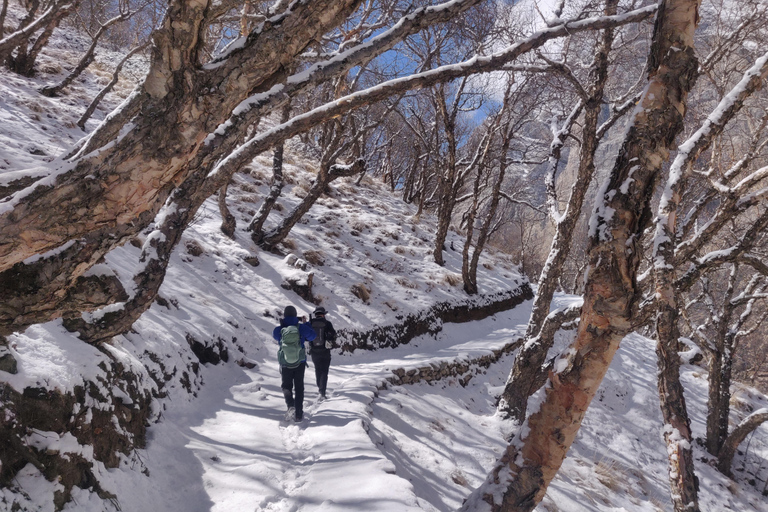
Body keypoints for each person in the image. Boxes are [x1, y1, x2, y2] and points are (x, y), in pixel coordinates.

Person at [273, 305, 315, 422]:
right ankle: (299, 414)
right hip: (300, 361)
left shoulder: (279, 329)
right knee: (299, 387)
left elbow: (275, 336)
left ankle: (290, 406)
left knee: (286, 386)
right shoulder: (301, 327)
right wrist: (306, 324)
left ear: (285, 315)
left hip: (285, 362)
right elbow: (312, 336)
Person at [308, 306, 337, 399]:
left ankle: (319, 387)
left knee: (317, 369)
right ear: (324, 314)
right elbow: (333, 335)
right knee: (324, 371)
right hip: (325, 351)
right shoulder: (327, 323)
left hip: (314, 351)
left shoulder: (310, 323)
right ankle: (322, 391)